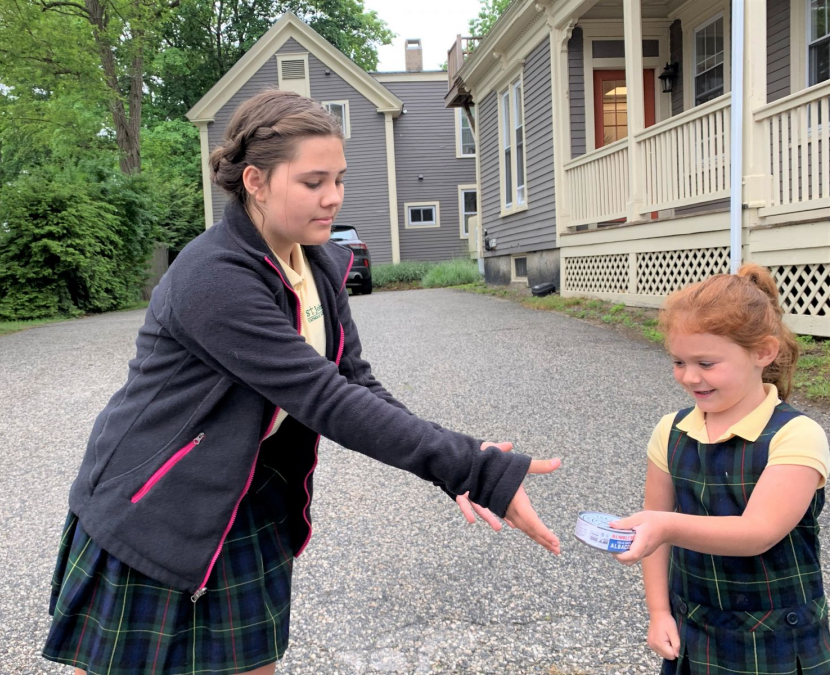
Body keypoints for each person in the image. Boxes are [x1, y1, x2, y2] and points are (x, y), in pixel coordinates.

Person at [41, 89, 561, 675]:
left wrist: (471, 461)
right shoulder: (214, 275)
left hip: (245, 499)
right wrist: (467, 466)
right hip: (156, 506)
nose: (333, 198)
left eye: (338, 179)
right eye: (314, 182)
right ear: (257, 182)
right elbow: (323, 400)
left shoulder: (315, 264)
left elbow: (354, 381)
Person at [611, 264, 830, 674]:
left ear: (762, 352)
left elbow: (757, 533)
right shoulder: (671, 431)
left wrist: (665, 526)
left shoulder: (797, 435)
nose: (689, 377)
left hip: (778, 640)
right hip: (694, 629)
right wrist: (659, 612)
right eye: (678, 361)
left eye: (707, 363)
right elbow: (652, 533)